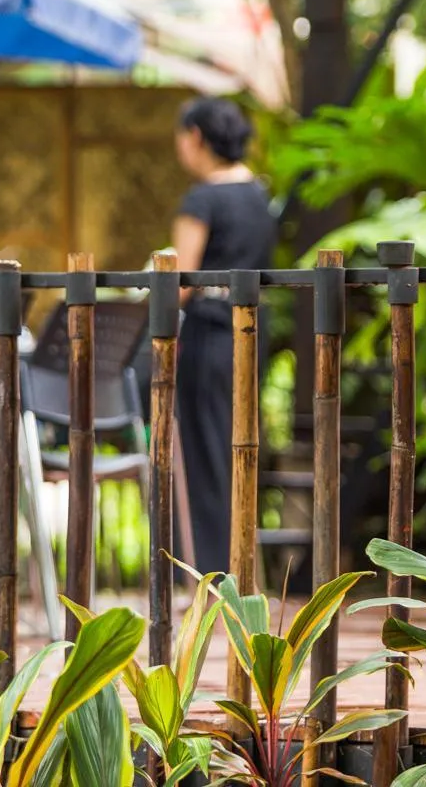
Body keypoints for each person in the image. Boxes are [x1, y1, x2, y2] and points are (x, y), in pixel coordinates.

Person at [171, 97, 276, 574]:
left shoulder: (202, 198)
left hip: (210, 332)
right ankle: (242, 562)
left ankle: (206, 567)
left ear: (195, 137)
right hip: (253, 329)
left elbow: (180, 282)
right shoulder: (260, 196)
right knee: (239, 444)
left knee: (204, 450)